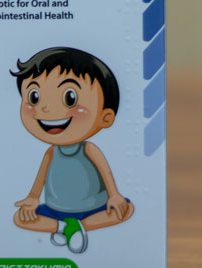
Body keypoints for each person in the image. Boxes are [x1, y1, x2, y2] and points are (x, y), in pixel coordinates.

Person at [11, 47, 133, 253]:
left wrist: (114, 195)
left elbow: (106, 173)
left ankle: (75, 227)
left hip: (94, 208)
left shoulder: (89, 149)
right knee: (20, 218)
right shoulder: (51, 152)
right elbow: (40, 180)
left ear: (106, 117)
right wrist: (32, 198)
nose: (46, 109)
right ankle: (66, 228)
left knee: (125, 210)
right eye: (34, 97)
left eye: (70, 98)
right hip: (54, 210)